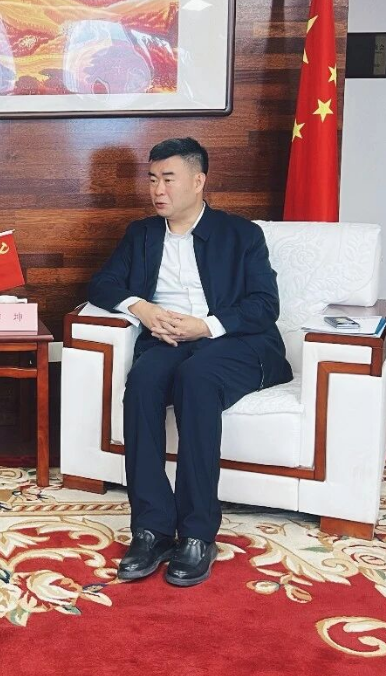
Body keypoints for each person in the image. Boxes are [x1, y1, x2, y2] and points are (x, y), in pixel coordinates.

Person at [88, 137, 292, 586]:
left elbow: (264, 305)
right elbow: (102, 284)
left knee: (196, 380)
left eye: (168, 179)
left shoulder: (241, 234)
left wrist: (206, 325)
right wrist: (142, 308)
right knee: (142, 383)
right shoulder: (142, 234)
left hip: (233, 342)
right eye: (152, 179)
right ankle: (151, 530)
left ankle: (198, 534)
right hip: (167, 340)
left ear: (198, 182)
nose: (157, 190)